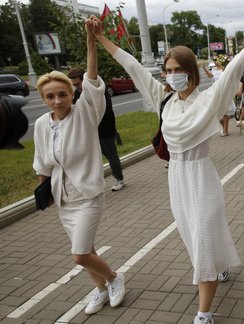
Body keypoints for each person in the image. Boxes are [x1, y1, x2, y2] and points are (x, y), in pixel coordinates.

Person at [93, 16, 244, 324]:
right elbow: (133, 66)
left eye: (178, 70)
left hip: (202, 177)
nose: (172, 75)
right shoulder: (163, 99)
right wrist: (101, 39)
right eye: (168, 70)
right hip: (176, 180)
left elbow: (232, 70)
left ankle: (204, 313)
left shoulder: (208, 100)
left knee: (204, 235)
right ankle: (218, 267)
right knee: (193, 236)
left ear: (191, 71)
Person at [32, 16, 125, 316]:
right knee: (88, 251)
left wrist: (90, 39)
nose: (57, 100)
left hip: (87, 195)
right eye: (50, 96)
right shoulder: (42, 124)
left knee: (79, 254)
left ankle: (113, 278)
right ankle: (99, 290)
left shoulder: (85, 112)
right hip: (63, 198)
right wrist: (42, 189)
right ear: (43, 99)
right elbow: (43, 162)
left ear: (72, 93)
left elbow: (93, 78)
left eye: (62, 94)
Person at [67, 67, 125, 191]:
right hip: (88, 130)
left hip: (104, 128)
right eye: (74, 85)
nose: (76, 87)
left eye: (78, 84)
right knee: (91, 157)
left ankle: (119, 179)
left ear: (85, 79)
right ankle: (92, 182)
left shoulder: (99, 89)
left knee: (110, 155)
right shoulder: (78, 92)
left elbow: (105, 109)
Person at [203, 57, 235, 137]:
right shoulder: (213, 69)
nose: (216, 63)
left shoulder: (224, 69)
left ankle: (226, 130)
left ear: (221, 62)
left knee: (225, 112)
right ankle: (223, 127)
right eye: (215, 61)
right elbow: (210, 76)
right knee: (216, 113)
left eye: (218, 61)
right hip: (216, 91)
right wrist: (204, 69)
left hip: (224, 91)